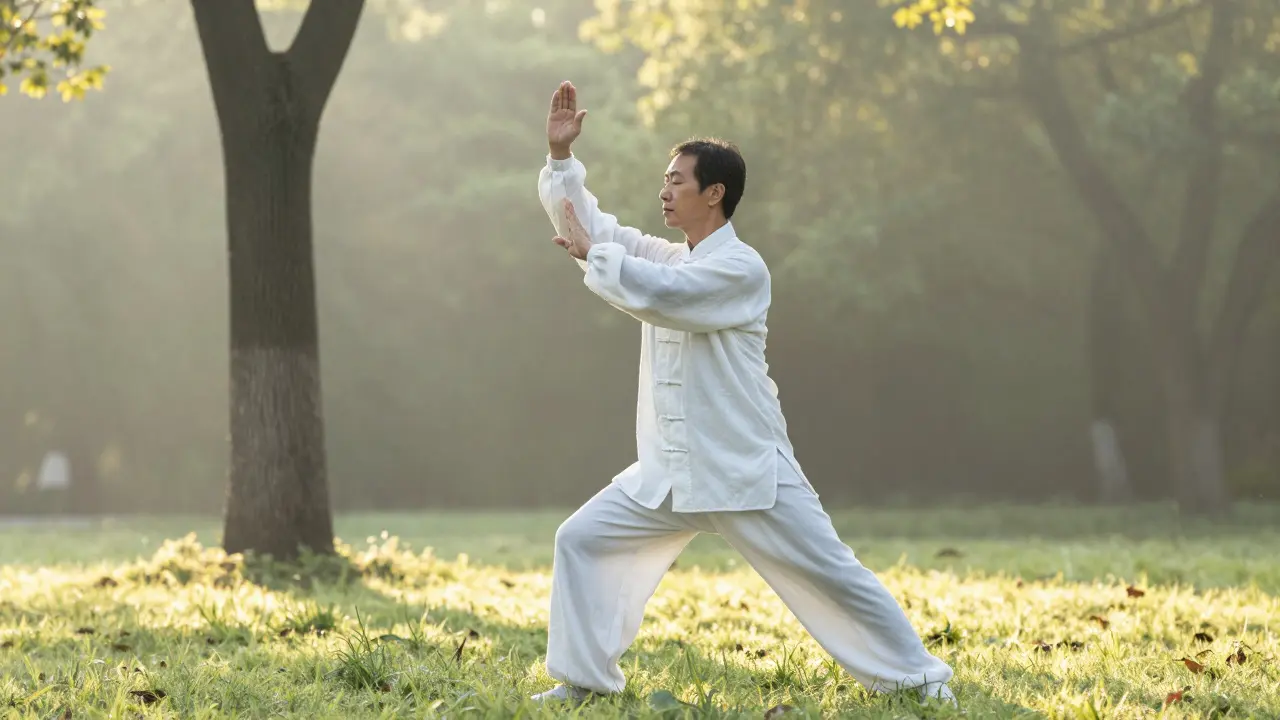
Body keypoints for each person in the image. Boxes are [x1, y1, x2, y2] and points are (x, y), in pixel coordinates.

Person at [530, 80, 956, 708]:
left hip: (743, 466)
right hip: (668, 472)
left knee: (831, 574)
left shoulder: (740, 268)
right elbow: (594, 230)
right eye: (664, 179)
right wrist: (561, 160)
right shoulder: (670, 257)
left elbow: (665, 298)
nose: (665, 189)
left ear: (715, 192)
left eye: (677, 179)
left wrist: (599, 256)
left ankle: (922, 684)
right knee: (583, 540)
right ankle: (586, 684)